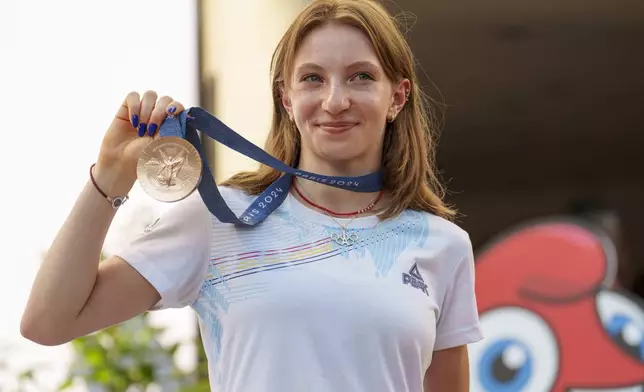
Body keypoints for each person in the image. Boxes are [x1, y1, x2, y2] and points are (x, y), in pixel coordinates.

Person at [21, 0, 482, 391]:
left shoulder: (442, 244)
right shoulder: (216, 220)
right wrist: (109, 177)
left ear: (397, 98)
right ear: (286, 97)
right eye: (313, 79)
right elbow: (47, 322)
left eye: (361, 76)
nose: (335, 101)